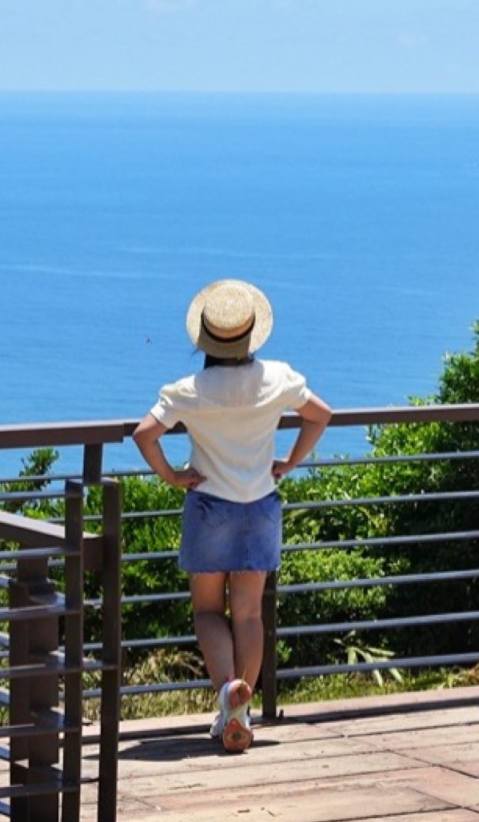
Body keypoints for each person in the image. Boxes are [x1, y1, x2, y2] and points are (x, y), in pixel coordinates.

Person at [133, 279, 332, 752]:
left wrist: (172, 476)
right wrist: (289, 463)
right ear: (251, 336)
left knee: (207, 611)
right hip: (260, 504)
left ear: (204, 338)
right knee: (249, 615)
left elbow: (145, 434)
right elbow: (321, 415)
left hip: (210, 506)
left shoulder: (189, 390)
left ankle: (226, 691)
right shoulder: (278, 377)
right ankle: (238, 713)